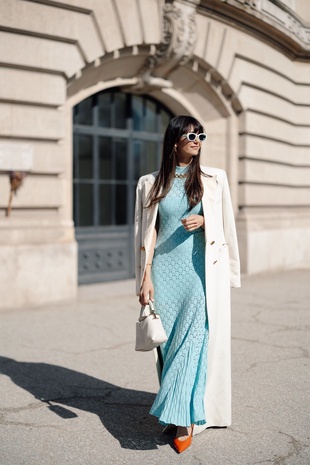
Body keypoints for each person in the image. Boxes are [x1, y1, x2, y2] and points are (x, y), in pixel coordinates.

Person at [134, 115, 240, 453]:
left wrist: (206, 220)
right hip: (163, 272)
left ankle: (184, 420)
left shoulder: (214, 179)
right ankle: (175, 408)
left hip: (199, 274)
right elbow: (146, 231)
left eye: (201, 135)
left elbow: (227, 226)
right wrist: (145, 276)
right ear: (175, 140)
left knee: (192, 342)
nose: (197, 140)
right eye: (190, 135)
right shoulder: (149, 183)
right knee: (168, 345)